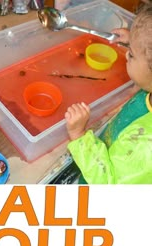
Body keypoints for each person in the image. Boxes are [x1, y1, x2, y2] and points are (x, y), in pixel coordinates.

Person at [64, 4, 152, 184]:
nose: (126, 55)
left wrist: (79, 136)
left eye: (132, 55)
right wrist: (137, 42)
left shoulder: (145, 147)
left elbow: (106, 183)